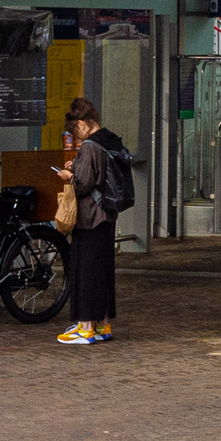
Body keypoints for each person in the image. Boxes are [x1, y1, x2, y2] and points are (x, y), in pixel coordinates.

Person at [55, 95, 133, 348]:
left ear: (82, 123)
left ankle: (86, 327)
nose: (75, 136)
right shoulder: (111, 139)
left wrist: (68, 175)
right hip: (108, 214)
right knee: (103, 271)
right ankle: (103, 324)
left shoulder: (90, 146)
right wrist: (77, 164)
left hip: (90, 216)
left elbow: (84, 184)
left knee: (86, 271)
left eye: (75, 130)